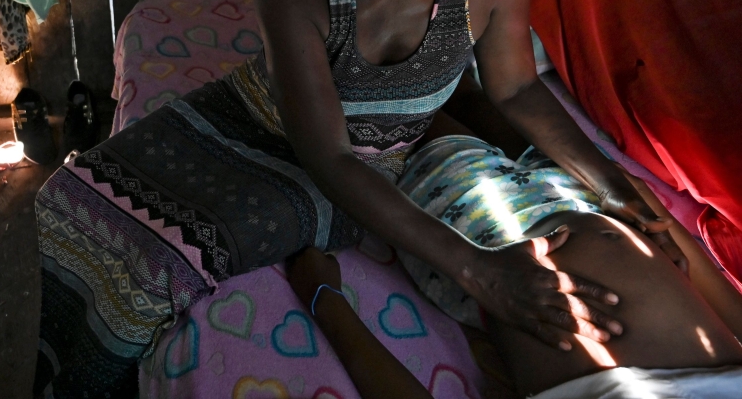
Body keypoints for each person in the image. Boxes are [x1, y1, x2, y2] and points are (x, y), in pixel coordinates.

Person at [33, 0, 687, 398]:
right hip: (283, 135)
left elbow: (515, 88)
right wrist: (480, 272)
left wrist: (610, 183)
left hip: (362, 168)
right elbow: (328, 155)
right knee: (72, 207)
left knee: (157, 267)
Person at [285, 132, 742, 398]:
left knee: (411, 116)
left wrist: (325, 299)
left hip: (484, 236)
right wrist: (649, 214)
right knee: (499, 105)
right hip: (603, 204)